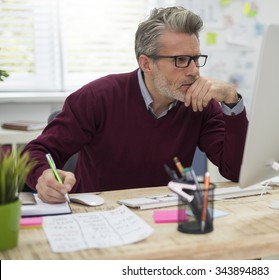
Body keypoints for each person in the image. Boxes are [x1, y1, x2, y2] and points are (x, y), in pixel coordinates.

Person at [23, 6, 248, 203]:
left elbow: (236, 171)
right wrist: (44, 176)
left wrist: (231, 100)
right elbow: (37, 151)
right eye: (181, 60)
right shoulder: (97, 97)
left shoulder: (199, 103)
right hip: (100, 213)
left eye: (196, 59)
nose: (194, 71)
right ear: (146, 63)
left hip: (163, 213)